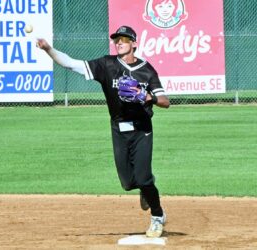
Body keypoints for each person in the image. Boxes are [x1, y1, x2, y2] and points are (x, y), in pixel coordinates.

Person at [37, 25, 170, 238]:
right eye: (117, 39)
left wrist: (148, 97)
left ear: (134, 43)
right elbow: (72, 64)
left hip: (142, 129)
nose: (119, 42)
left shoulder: (146, 70)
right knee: (128, 183)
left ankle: (157, 215)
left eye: (125, 40)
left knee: (143, 178)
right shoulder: (106, 65)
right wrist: (48, 50)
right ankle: (146, 187)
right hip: (118, 129)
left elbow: (165, 101)